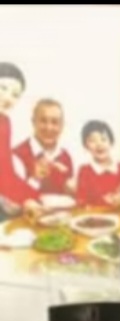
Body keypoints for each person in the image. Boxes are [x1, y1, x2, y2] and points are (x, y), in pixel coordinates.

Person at [0, 62, 41, 216]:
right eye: (2, 88)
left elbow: (5, 172)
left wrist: (29, 197)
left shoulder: (4, 123)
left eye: (15, 94)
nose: (8, 97)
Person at [12, 99, 74, 197]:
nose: (49, 128)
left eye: (55, 122)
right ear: (33, 122)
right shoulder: (17, 156)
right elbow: (13, 200)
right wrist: (35, 179)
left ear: (62, 126)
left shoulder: (65, 157)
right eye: (43, 121)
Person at [74, 120, 120, 206]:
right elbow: (81, 201)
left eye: (103, 139)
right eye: (92, 141)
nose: (99, 144)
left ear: (111, 142)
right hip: (94, 213)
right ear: (86, 146)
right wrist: (102, 200)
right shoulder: (84, 171)